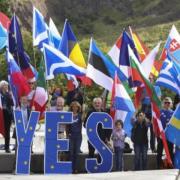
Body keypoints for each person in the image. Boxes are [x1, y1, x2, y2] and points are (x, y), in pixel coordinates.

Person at [141, 75, 161, 153]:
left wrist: (152, 94)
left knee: (153, 130)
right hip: (144, 109)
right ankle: (144, 147)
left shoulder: (157, 88)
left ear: (153, 80)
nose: (149, 80)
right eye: (148, 78)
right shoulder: (143, 88)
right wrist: (145, 93)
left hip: (153, 109)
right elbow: (140, 99)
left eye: (150, 78)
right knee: (144, 129)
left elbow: (158, 99)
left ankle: (153, 147)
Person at [157, 97, 174, 169]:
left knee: (170, 152)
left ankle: (170, 166)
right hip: (161, 135)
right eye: (165, 102)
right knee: (159, 152)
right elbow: (156, 123)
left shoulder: (174, 113)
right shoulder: (159, 112)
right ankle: (159, 166)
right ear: (163, 104)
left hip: (170, 136)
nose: (167, 104)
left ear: (171, 104)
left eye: (168, 103)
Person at [67, 101, 82, 173]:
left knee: (76, 153)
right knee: (71, 152)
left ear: (78, 108)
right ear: (71, 107)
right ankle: (70, 168)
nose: (75, 108)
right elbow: (67, 126)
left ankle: (75, 168)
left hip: (78, 136)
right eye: (73, 106)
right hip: (71, 135)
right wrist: (67, 135)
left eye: (76, 107)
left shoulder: (80, 115)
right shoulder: (69, 115)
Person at [0, 80, 14, 153]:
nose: (7, 87)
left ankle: (7, 147)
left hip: (7, 115)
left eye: (7, 85)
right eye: (5, 85)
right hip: (1, 114)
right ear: (2, 86)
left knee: (7, 131)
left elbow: (12, 104)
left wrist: (11, 97)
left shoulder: (9, 94)